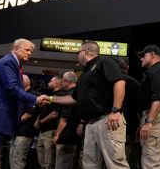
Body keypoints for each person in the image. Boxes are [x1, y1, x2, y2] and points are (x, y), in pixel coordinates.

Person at [43, 41, 129, 169]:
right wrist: (49, 98)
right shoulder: (84, 74)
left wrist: (115, 110)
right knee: (89, 164)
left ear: (86, 52)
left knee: (115, 164)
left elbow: (119, 83)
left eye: (78, 53)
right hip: (90, 124)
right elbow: (73, 99)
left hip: (107, 120)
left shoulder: (104, 61)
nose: (77, 56)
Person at [0, 38, 46, 169]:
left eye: (31, 51)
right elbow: (12, 88)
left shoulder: (13, 63)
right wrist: (35, 99)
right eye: (27, 49)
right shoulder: (9, 62)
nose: (29, 53)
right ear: (15, 48)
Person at [137, 45, 160, 169]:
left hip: (156, 117)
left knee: (151, 162)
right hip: (154, 117)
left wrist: (148, 122)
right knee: (149, 159)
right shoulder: (154, 71)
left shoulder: (158, 71)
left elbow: (158, 99)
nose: (141, 59)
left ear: (152, 54)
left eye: (143, 55)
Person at [113, 57, 141, 168]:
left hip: (113, 126)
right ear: (127, 67)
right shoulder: (136, 84)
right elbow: (140, 107)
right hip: (131, 127)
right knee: (129, 160)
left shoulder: (111, 81)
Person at [9, 75, 41, 169]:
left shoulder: (34, 95)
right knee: (12, 158)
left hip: (25, 132)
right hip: (15, 131)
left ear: (25, 82)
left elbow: (28, 114)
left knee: (18, 159)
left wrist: (14, 122)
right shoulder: (19, 95)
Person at [53, 71, 81, 169]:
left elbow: (64, 118)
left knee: (62, 165)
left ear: (67, 81)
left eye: (63, 81)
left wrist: (57, 135)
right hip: (75, 137)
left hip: (66, 137)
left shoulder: (70, 95)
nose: (61, 83)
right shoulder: (79, 93)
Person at [35, 76, 63, 169]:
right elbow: (43, 110)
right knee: (40, 155)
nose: (48, 83)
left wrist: (41, 122)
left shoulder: (60, 96)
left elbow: (55, 113)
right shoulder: (49, 95)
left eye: (51, 81)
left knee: (49, 160)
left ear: (56, 84)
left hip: (51, 130)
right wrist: (38, 120)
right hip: (42, 130)